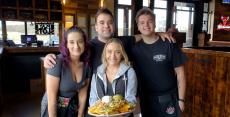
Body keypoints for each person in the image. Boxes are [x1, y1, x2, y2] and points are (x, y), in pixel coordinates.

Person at [132, 8, 187, 117]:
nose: (146, 25)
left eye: (150, 21)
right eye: (142, 22)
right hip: (146, 101)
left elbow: (181, 74)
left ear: (155, 23)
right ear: (138, 26)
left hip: (169, 99)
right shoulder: (134, 49)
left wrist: (181, 100)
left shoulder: (169, 43)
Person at [41, 26, 91, 117]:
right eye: (71, 42)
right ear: (66, 44)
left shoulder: (86, 65)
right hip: (53, 108)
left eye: (80, 41)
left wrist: (80, 115)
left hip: (71, 107)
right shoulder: (57, 63)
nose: (76, 46)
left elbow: (83, 94)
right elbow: (51, 100)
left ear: (84, 43)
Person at [89, 38, 137, 106]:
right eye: (109, 51)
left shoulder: (129, 72)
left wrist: (119, 113)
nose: (113, 56)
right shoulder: (97, 73)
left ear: (122, 54)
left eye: (117, 52)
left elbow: (131, 100)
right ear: (105, 53)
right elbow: (93, 99)